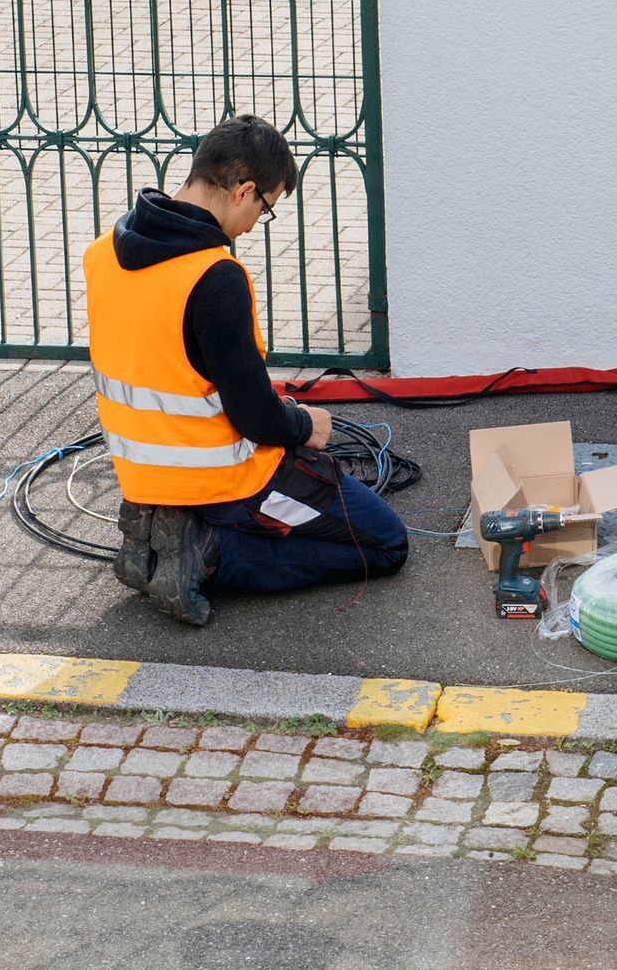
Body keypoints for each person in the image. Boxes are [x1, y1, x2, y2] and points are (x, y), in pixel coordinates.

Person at [81, 116, 407, 625]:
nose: (256, 224)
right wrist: (304, 425)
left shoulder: (103, 252)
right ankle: (210, 553)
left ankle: (168, 534)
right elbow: (254, 416)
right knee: (385, 545)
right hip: (227, 483)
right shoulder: (215, 278)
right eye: (266, 206)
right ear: (244, 190)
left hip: (139, 473)